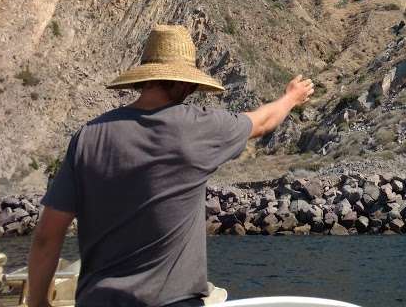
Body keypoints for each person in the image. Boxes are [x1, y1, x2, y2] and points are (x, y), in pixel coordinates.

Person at [26, 24, 314, 307]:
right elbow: (263, 121)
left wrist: (38, 301)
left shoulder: (89, 136)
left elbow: (47, 235)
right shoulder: (198, 128)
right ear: (183, 82)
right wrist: (291, 97)